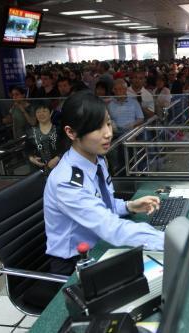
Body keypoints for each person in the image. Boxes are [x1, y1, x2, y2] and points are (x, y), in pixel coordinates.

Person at [44, 91, 164, 275]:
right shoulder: (66, 182)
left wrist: (129, 206)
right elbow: (111, 227)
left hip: (100, 246)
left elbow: (100, 205)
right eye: (96, 128)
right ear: (71, 132)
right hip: (74, 265)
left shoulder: (97, 160)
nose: (108, 133)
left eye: (108, 123)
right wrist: (177, 242)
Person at [25, 103, 60, 173]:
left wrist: (58, 158)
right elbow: (27, 149)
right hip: (39, 171)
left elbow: (67, 147)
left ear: (51, 112)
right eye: (38, 112)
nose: (41, 114)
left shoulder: (59, 129)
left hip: (60, 168)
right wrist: (31, 158)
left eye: (44, 111)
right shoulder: (30, 131)